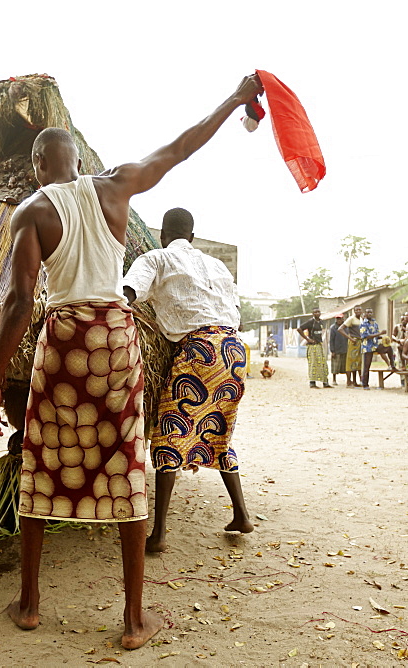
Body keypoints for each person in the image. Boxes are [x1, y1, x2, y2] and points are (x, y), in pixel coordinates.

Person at [0, 74, 264, 647]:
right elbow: (182, 147)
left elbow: (18, 303)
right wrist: (233, 100)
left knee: (41, 459)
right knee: (128, 462)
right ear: (79, 159)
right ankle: (134, 618)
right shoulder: (115, 188)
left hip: (62, 339)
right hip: (113, 336)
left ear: (37, 165)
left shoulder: (31, 212)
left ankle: (30, 602)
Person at [123, 206, 253, 552]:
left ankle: (159, 534)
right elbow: (235, 313)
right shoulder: (218, 265)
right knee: (219, 430)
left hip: (199, 350)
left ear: (163, 236)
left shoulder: (156, 258)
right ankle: (241, 515)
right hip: (234, 351)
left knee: (169, 433)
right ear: (192, 237)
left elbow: (129, 293)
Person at [357, 307, 396, 388]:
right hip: (367, 346)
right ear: (365, 314)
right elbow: (366, 336)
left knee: (388, 348)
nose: (369, 314)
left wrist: (383, 337)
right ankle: (365, 384)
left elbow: (376, 335)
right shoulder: (363, 324)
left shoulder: (374, 323)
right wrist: (379, 334)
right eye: (368, 312)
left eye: (371, 312)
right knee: (366, 365)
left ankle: (392, 365)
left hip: (375, 345)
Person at [297, 308, 331, 389]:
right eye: (315, 312)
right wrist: (308, 339)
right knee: (313, 364)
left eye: (319, 312)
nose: (317, 313)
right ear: (313, 314)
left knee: (323, 364)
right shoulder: (310, 322)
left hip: (320, 345)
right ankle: (312, 383)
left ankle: (325, 382)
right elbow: (299, 329)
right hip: (312, 346)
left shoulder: (321, 322)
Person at [341, 305, 364, 388]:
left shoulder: (361, 319)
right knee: (350, 361)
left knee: (357, 362)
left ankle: (355, 381)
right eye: (356, 310)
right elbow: (340, 329)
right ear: (354, 311)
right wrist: (350, 338)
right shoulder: (351, 319)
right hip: (353, 342)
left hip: (360, 342)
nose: (358, 311)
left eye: (359, 310)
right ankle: (348, 381)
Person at [328, 313, 349, 386]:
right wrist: (332, 351)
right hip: (336, 349)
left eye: (340, 318)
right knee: (335, 366)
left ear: (343, 319)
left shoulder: (346, 327)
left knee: (346, 366)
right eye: (337, 318)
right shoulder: (333, 328)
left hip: (345, 348)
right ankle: (334, 379)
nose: (339, 320)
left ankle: (348, 380)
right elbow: (331, 340)